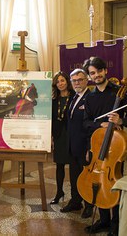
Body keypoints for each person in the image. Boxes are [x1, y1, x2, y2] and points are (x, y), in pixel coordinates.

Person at [83, 56, 127, 235]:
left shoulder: (119, 91)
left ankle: (115, 223)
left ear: (105, 71)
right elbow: (86, 122)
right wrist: (101, 124)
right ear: (89, 76)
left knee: (114, 184)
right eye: (93, 73)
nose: (97, 75)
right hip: (99, 144)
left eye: (99, 71)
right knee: (99, 181)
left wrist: (120, 119)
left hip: (116, 147)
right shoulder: (90, 96)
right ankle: (104, 219)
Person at [60, 69, 93, 218]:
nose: (77, 83)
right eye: (74, 81)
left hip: (84, 146)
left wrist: (89, 148)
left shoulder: (90, 98)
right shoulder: (74, 98)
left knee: (86, 178)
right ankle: (75, 201)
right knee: (74, 176)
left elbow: (91, 126)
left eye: (80, 79)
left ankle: (88, 205)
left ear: (86, 80)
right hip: (72, 146)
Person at [50, 71, 74, 205]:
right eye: (58, 81)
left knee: (74, 167)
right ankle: (59, 192)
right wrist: (52, 137)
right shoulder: (54, 101)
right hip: (59, 136)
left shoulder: (74, 98)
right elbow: (53, 120)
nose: (60, 83)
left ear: (67, 82)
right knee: (59, 166)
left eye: (62, 80)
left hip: (71, 136)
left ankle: (75, 195)